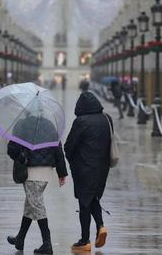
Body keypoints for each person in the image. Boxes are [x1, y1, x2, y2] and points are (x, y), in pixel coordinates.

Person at [7, 114, 68, 255]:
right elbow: (58, 149)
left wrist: (20, 154)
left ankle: (47, 244)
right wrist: (61, 172)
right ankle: (20, 239)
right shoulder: (50, 125)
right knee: (31, 204)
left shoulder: (21, 125)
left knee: (37, 205)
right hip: (46, 172)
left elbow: (11, 150)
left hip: (31, 172)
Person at [64, 91, 112, 252]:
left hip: (84, 168)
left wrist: (72, 161)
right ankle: (100, 227)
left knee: (84, 202)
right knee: (93, 198)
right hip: (102, 168)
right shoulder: (107, 119)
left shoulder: (81, 122)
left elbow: (69, 146)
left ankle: (85, 241)